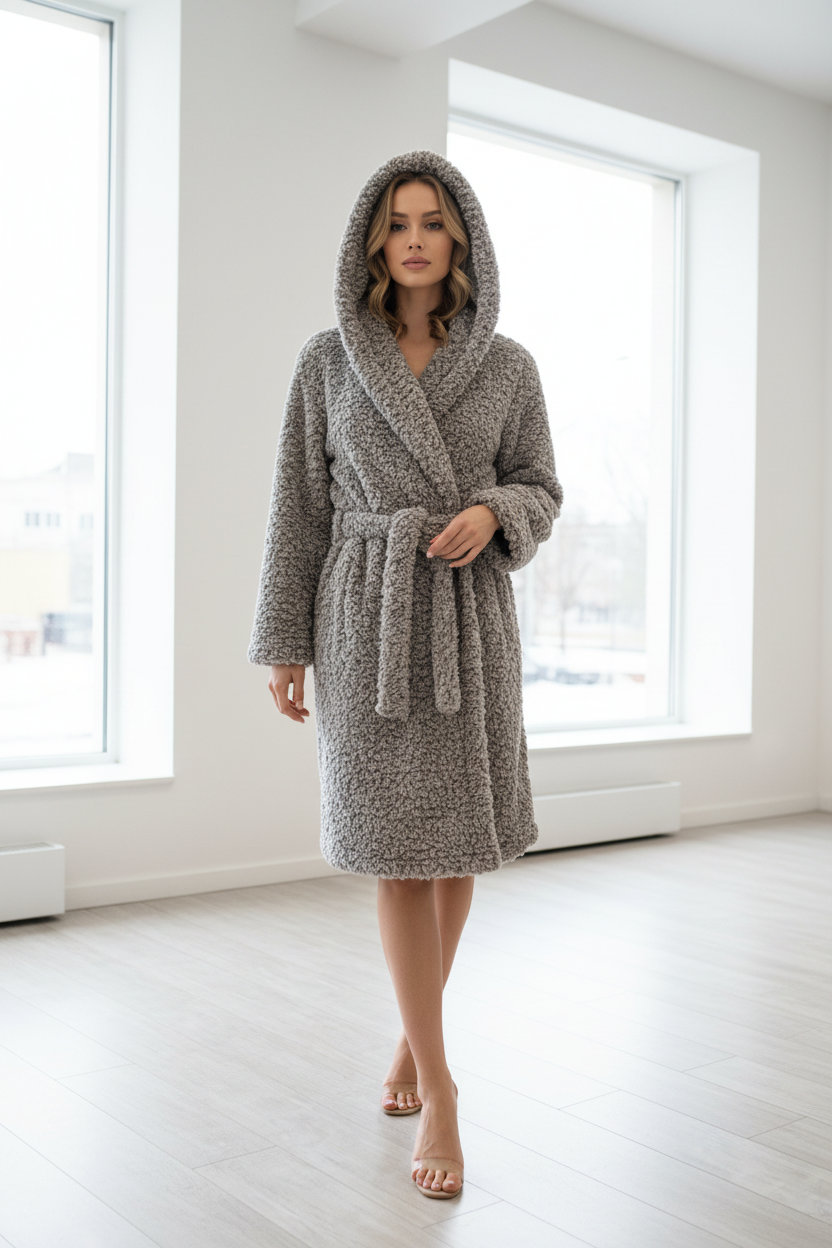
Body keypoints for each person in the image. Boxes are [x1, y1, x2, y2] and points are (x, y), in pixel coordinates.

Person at [248, 150, 563, 1199]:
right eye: (397, 223)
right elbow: (298, 508)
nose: (415, 239)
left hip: (468, 619)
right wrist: (283, 641)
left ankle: (410, 1046)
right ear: (371, 242)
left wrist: (493, 513)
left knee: (454, 845)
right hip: (363, 620)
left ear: (460, 239)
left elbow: (542, 487)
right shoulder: (327, 361)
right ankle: (442, 1088)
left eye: (433, 222)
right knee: (395, 854)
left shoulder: (508, 366)